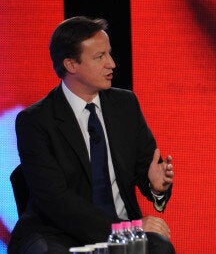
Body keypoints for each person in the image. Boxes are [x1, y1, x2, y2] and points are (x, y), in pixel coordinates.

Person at [8, 16, 175, 254]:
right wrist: (123, 227)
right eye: (100, 57)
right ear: (71, 65)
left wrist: (156, 187)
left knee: (160, 248)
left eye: (109, 54)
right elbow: (56, 201)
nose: (112, 64)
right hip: (57, 233)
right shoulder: (35, 121)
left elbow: (145, 168)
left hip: (124, 228)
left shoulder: (125, 105)